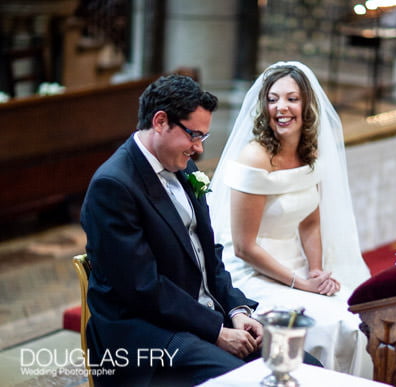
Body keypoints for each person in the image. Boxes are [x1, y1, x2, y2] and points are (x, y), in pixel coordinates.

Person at [80, 74, 320, 386]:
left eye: (202, 138)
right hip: (147, 334)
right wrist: (216, 331)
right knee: (246, 380)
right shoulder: (113, 186)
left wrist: (237, 310)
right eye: (193, 135)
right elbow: (143, 288)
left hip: (198, 318)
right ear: (161, 121)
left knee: (306, 366)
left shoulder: (184, 167)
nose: (197, 148)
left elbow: (209, 254)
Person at [208, 61, 373, 377]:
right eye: (273, 99)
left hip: (297, 268)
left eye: (291, 99)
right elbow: (243, 247)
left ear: (306, 105)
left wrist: (315, 269)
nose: (281, 107)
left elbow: (310, 222)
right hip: (254, 272)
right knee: (342, 327)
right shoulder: (255, 158)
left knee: (363, 315)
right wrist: (302, 284)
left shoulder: (309, 152)